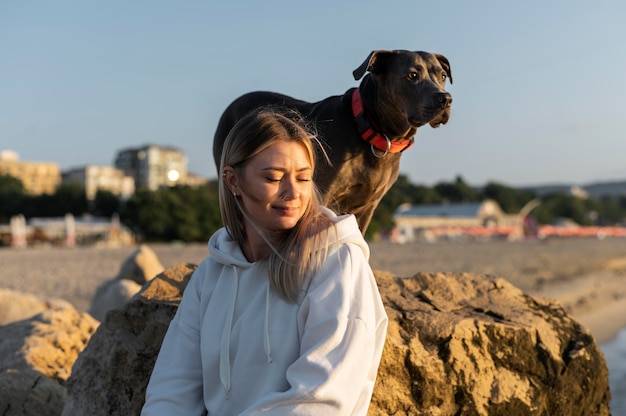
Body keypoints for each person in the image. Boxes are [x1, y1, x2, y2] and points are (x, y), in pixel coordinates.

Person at [141, 107, 388, 415]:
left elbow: (322, 398)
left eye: (303, 178)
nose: (293, 192)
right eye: (273, 178)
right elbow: (172, 389)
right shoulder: (211, 276)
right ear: (233, 181)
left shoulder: (337, 262)